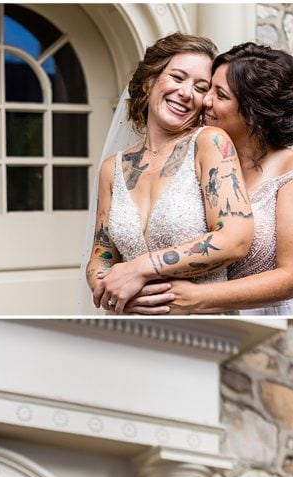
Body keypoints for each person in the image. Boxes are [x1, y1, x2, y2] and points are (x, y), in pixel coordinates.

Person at [127, 43, 293, 316]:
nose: (205, 100)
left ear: (253, 111)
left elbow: (291, 279)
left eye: (220, 94)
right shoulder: (200, 161)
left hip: (280, 316)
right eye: (208, 89)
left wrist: (198, 297)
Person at [83, 33, 253, 315]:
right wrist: (107, 288)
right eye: (177, 77)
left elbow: (235, 239)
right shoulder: (111, 169)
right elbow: (101, 256)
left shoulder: (209, 143)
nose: (186, 93)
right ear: (150, 80)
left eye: (201, 87)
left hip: (202, 323)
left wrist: (139, 269)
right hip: (129, 322)